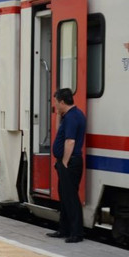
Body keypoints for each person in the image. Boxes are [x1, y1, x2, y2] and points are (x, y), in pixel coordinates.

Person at [46, 88, 87, 243]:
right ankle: (64, 229)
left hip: (70, 161)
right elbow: (60, 133)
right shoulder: (73, 115)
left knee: (71, 198)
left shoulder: (72, 117)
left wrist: (64, 161)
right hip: (70, 161)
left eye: (56, 102)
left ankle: (76, 233)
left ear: (62, 102)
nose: (55, 105)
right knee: (64, 196)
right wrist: (58, 115)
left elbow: (70, 141)